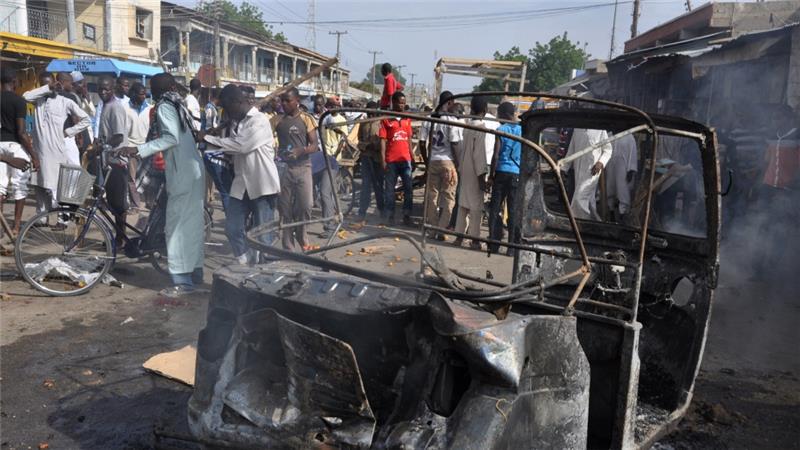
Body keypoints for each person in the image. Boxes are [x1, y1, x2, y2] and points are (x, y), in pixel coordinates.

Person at [116, 73, 206, 297]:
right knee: (192, 226)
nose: (151, 94)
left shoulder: (165, 106)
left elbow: (171, 138)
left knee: (175, 228)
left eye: (153, 90)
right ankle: (195, 274)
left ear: (158, 92)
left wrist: (139, 149)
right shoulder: (180, 103)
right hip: (194, 170)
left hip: (182, 172)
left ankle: (182, 283)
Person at [202, 84, 280, 264]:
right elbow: (231, 148)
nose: (227, 113)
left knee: (263, 235)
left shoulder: (259, 120)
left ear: (237, 102)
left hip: (262, 185)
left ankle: (264, 273)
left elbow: (241, 146)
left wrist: (207, 138)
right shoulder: (238, 123)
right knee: (232, 229)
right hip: (241, 185)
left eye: (228, 108)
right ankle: (245, 264)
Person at [24, 72, 91, 218]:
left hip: (56, 151)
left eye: (49, 83)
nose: (47, 87)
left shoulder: (65, 101)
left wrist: (69, 131)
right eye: (43, 84)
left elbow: (86, 119)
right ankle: (41, 218)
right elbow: (25, 97)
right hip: (38, 151)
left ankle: (63, 218)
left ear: (57, 83)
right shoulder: (39, 100)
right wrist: (47, 88)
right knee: (39, 185)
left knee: (56, 186)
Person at [273, 87, 319, 251]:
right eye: (282, 100)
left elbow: (314, 145)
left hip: (303, 167)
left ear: (297, 101)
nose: (284, 104)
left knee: (306, 205)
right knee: (284, 209)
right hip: (284, 168)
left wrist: (301, 151)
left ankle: (302, 235)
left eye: (288, 100)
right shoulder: (277, 120)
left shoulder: (307, 119)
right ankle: (288, 247)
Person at [419, 91, 462, 238]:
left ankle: (432, 229)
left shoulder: (429, 118)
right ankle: (442, 230)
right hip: (448, 162)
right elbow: (455, 144)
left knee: (431, 197)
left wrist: (427, 161)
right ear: (449, 103)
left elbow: (422, 143)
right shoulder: (451, 120)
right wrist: (458, 165)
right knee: (449, 197)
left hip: (433, 161)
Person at [1, 68, 37, 234]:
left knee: (0, 188)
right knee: (19, 187)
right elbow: (21, 132)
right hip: (15, 147)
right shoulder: (19, 101)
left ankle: (2, 228)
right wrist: (33, 155)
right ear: (14, 82)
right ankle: (15, 227)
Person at [453, 97, 491, 250]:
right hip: (475, 171)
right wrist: (482, 176)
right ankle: (475, 240)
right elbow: (479, 154)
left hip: (465, 168)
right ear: (485, 110)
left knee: (463, 205)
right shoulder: (481, 127)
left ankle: (459, 237)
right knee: (476, 208)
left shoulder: (467, 126)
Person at [487, 102, 521, 255]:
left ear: (503, 115)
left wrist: (491, 175)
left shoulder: (501, 130)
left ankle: (493, 245)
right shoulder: (522, 130)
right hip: (516, 174)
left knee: (494, 210)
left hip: (501, 172)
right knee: (513, 211)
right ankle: (511, 248)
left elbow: (495, 155)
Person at [562, 128, 612, 220]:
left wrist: (600, 162)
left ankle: (580, 224)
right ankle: (596, 223)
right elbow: (571, 151)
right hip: (578, 170)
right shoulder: (577, 130)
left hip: (592, 171)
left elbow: (608, 150)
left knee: (579, 198)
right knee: (589, 201)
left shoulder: (600, 130)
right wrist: (563, 168)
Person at [379, 91, 414, 226]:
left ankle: (406, 215)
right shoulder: (386, 119)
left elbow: (409, 138)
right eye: (400, 102)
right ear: (394, 102)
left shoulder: (407, 119)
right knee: (389, 190)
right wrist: (383, 159)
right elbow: (382, 140)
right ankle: (390, 216)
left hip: (405, 160)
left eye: (404, 103)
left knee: (408, 188)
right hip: (391, 160)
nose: (402, 105)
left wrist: (412, 156)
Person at [312, 99, 345, 238]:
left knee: (325, 193)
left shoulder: (328, 118)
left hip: (329, 162)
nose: (318, 107)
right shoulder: (311, 119)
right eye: (316, 104)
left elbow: (338, 132)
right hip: (316, 163)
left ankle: (330, 226)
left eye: (321, 105)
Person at [355, 100, 384, 223]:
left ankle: (382, 211)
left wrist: (375, 146)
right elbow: (359, 139)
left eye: (373, 112)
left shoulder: (381, 122)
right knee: (366, 186)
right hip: (366, 157)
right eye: (369, 112)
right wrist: (364, 146)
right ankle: (362, 212)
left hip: (377, 158)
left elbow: (383, 141)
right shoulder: (363, 123)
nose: (371, 115)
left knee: (378, 186)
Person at [605, 132, 638, 222]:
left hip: (623, 167)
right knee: (610, 187)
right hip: (610, 165)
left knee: (622, 190)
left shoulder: (629, 136)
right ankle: (611, 212)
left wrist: (631, 170)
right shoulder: (609, 136)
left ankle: (622, 214)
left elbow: (633, 154)